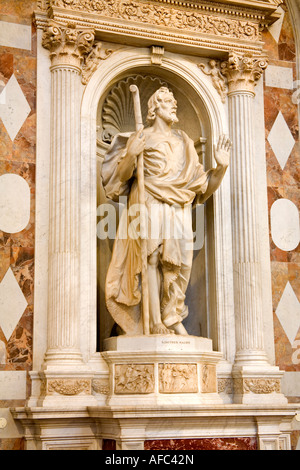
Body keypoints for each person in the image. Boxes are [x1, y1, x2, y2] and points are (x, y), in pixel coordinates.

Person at [102, 86, 231, 336]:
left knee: (180, 262)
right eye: (168, 101)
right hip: (148, 198)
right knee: (149, 257)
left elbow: (202, 188)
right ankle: (154, 322)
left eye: (174, 101)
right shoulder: (142, 137)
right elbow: (119, 179)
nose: (174, 105)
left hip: (179, 203)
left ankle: (172, 315)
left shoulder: (183, 140)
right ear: (154, 108)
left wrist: (221, 168)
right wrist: (131, 154)